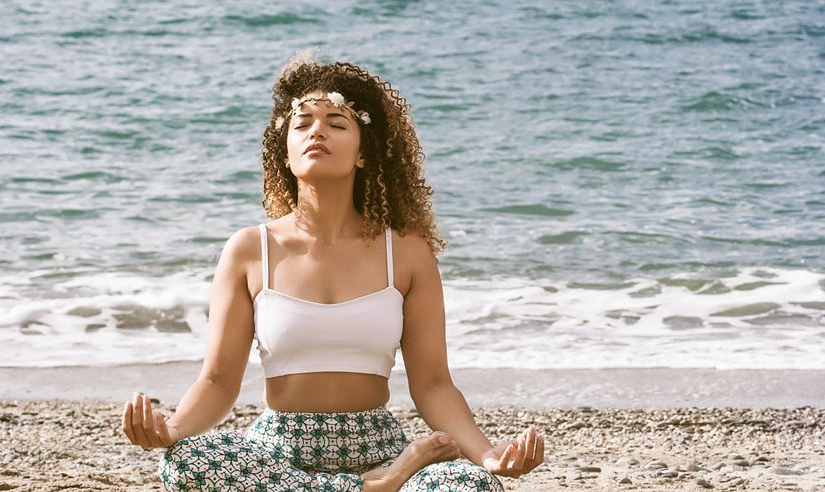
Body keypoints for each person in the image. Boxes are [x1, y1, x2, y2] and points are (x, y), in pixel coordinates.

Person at [120, 51, 544, 491]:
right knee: (186, 461)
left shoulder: (406, 253)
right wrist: (170, 432)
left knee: (470, 485)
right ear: (285, 154)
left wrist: (488, 454)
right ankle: (373, 488)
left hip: (378, 448)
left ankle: (382, 480)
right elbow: (218, 380)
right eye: (302, 124)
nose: (317, 131)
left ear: (364, 154)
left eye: (337, 123)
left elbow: (434, 383)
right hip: (279, 454)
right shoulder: (249, 250)